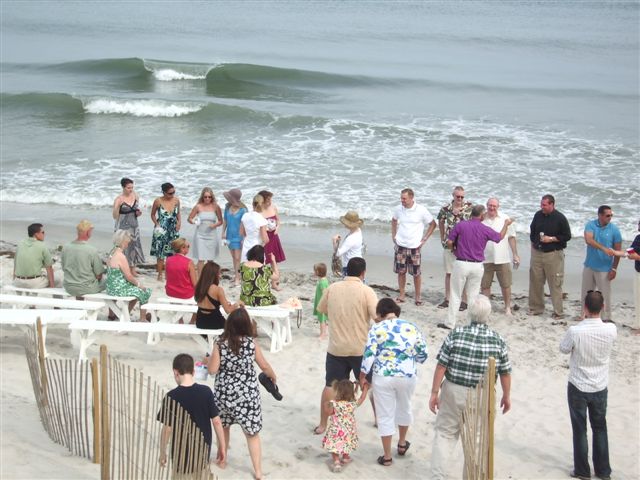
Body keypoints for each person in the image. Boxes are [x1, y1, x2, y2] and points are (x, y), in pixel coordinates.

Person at [429, 295, 511, 480]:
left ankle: (438, 476)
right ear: (488, 315)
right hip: (482, 394)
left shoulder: (455, 334)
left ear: (469, 313)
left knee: (445, 434)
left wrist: (434, 392)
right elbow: (505, 372)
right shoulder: (497, 340)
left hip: (453, 389)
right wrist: (506, 395)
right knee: (477, 439)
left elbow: (442, 365)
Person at [208, 308, 278, 480]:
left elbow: (212, 370)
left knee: (223, 428)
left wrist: (208, 361)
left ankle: (222, 460)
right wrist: (273, 376)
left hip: (224, 394)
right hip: (247, 396)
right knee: (252, 434)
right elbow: (264, 366)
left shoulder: (220, 343)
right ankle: (258, 471)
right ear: (246, 325)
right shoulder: (251, 343)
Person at [313, 257, 378, 435]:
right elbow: (377, 317)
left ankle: (322, 424)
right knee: (370, 386)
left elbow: (322, 309)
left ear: (346, 271)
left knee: (330, 386)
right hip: (360, 349)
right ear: (363, 273)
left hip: (337, 347)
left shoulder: (332, 288)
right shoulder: (367, 291)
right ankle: (379, 419)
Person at [359, 298, 427, 467]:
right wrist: (411, 359)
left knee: (385, 415)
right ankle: (402, 443)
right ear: (396, 311)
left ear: (380, 313)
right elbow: (423, 354)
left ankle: (387, 456)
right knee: (405, 407)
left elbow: (369, 355)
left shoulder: (376, 328)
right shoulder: (412, 327)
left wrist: (362, 375)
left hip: (383, 375)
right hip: (407, 375)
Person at [560, 291, 616, 480]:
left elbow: (563, 348)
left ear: (584, 308)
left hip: (579, 384)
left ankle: (583, 470)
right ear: (603, 307)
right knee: (599, 427)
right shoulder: (610, 329)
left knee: (580, 429)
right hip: (599, 385)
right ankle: (603, 471)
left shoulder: (576, 331)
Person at [442, 204, 513, 330]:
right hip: (477, 265)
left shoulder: (461, 225)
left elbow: (449, 241)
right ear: (481, 215)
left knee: (456, 294)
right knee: (473, 296)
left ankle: (450, 323)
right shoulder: (484, 228)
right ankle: (470, 323)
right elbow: (499, 238)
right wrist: (506, 225)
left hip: (462, 262)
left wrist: (454, 250)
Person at [157, 353, 226, 474]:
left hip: (180, 453)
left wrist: (162, 451)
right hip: (203, 451)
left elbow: (167, 429)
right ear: (193, 372)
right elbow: (216, 422)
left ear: (175, 372)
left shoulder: (171, 396)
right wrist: (222, 447)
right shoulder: (206, 392)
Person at [391, 188, 437, 306]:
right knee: (401, 272)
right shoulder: (398, 209)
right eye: (401, 198)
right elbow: (394, 220)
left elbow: (433, 224)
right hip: (400, 245)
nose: (402, 200)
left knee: (416, 273)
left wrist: (424, 239)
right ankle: (402, 295)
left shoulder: (421, 210)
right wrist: (394, 235)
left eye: (404, 198)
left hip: (414, 246)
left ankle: (418, 297)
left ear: (411, 198)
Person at [529, 194, 572, 318]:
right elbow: (532, 231)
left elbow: (567, 236)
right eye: (541, 204)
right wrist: (534, 244)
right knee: (535, 281)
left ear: (552, 204)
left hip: (553, 254)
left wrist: (552, 239)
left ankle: (558, 311)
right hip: (537, 253)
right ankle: (536, 308)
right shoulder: (538, 215)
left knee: (555, 283)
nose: (542, 207)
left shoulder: (560, 218)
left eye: (544, 205)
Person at [580, 205, 622, 322]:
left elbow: (618, 251)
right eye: (607, 215)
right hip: (589, 266)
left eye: (611, 215)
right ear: (600, 215)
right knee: (586, 293)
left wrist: (614, 269)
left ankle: (606, 318)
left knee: (605, 295)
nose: (610, 217)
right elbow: (589, 240)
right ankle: (584, 315)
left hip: (605, 268)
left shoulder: (614, 230)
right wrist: (603, 248)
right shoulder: (591, 225)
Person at [481, 197, 520, 315]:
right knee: (485, 285)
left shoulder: (505, 218)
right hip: (485, 258)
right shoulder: (481, 218)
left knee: (506, 284)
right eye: (490, 205)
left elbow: (511, 237)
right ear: (486, 205)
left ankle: (507, 307)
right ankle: (486, 308)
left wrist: (515, 254)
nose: (492, 208)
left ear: (498, 207)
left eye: (494, 206)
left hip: (502, 257)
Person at [437, 186, 473, 309]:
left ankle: (464, 300)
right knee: (449, 272)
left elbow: (476, 222)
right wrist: (442, 236)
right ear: (453, 196)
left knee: (464, 273)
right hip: (449, 243)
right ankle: (447, 299)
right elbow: (440, 221)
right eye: (458, 196)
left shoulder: (469, 207)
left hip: (464, 244)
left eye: (462, 197)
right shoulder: (446, 208)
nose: (460, 199)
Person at [321, 379, 369, 473]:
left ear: (338, 391)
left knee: (335, 446)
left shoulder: (334, 404)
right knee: (347, 443)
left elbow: (328, 413)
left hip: (336, 430)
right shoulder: (352, 404)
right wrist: (365, 388)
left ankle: (336, 461)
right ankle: (345, 457)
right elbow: (362, 398)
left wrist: (325, 404)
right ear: (351, 393)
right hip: (348, 431)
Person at [106, 230, 152, 322]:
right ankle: (142, 319)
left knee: (135, 291)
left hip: (110, 287)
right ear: (123, 242)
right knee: (144, 292)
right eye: (127, 242)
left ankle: (120, 315)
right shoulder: (120, 256)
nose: (128, 245)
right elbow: (129, 276)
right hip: (118, 289)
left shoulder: (112, 253)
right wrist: (139, 284)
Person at [194, 261, 243, 330]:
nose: (220, 276)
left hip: (200, 321)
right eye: (219, 273)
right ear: (213, 275)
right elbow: (228, 310)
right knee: (237, 326)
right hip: (215, 322)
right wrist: (237, 303)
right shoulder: (218, 290)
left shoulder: (199, 287)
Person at [61, 220, 105, 296]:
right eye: (91, 231)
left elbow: (64, 267)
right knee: (108, 282)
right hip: (86, 288)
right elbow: (99, 275)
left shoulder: (65, 248)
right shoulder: (91, 250)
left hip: (69, 287)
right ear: (88, 232)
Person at [112, 177, 145, 275]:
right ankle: (124, 269)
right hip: (123, 226)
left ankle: (133, 269)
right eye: (128, 188)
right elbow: (115, 216)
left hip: (134, 225)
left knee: (134, 246)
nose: (131, 190)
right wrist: (117, 207)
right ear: (123, 187)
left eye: (132, 187)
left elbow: (136, 210)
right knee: (124, 246)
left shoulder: (135, 196)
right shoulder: (119, 199)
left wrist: (138, 213)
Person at [188, 187, 223, 273]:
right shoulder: (198, 207)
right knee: (201, 258)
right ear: (202, 197)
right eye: (205, 197)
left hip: (212, 235)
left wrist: (214, 225)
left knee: (211, 259)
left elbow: (220, 221)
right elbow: (189, 218)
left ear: (212, 197)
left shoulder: (216, 207)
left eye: (209, 197)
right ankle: (200, 277)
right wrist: (194, 222)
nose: (207, 198)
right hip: (200, 235)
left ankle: (210, 277)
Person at [150, 182, 181, 281]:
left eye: (174, 192)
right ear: (164, 192)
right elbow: (152, 214)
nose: (172, 195)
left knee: (172, 253)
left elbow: (178, 214)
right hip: (161, 230)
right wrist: (157, 224)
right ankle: (160, 274)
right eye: (170, 193)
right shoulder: (158, 201)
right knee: (160, 254)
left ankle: (168, 274)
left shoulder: (176, 200)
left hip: (173, 230)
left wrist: (179, 223)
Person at [13, 223, 55, 289]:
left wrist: (14, 280)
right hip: (33, 284)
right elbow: (49, 268)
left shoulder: (20, 243)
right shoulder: (42, 245)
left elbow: (15, 264)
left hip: (18, 282)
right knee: (55, 280)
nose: (44, 234)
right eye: (42, 232)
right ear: (36, 234)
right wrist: (52, 286)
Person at [222, 188, 248, 286]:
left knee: (237, 257)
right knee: (234, 257)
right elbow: (225, 221)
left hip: (239, 236)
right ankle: (237, 275)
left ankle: (237, 277)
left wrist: (244, 238)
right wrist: (223, 233)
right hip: (229, 235)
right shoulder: (227, 207)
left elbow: (245, 224)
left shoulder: (243, 210)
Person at [258, 190, 286, 268]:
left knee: (274, 258)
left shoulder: (273, 207)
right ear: (262, 201)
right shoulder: (258, 210)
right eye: (268, 200)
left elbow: (278, 220)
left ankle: (275, 274)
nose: (270, 202)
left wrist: (277, 229)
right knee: (263, 257)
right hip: (263, 236)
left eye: (270, 199)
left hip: (273, 234)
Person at [332, 211, 364, 277]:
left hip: (350, 266)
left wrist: (334, 241)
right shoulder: (358, 231)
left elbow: (338, 254)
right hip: (359, 262)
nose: (344, 224)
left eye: (346, 223)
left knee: (348, 282)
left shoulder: (351, 239)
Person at [240, 194, 269, 263]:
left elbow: (241, 232)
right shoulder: (261, 219)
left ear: (252, 204)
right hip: (257, 247)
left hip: (246, 244)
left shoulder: (245, 215)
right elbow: (265, 239)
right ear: (262, 205)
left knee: (245, 266)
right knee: (258, 267)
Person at [625, 219, 640, 332]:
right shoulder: (638, 238)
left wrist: (637, 257)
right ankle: (638, 324)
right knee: (637, 298)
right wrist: (629, 254)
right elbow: (630, 251)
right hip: (637, 272)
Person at [313, 263, 330, 339]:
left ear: (318, 272)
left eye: (315, 271)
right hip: (322, 303)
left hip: (322, 304)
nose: (314, 272)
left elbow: (324, 293)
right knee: (324, 319)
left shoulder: (322, 282)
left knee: (321, 320)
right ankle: (324, 333)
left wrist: (324, 304)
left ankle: (322, 334)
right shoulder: (324, 280)